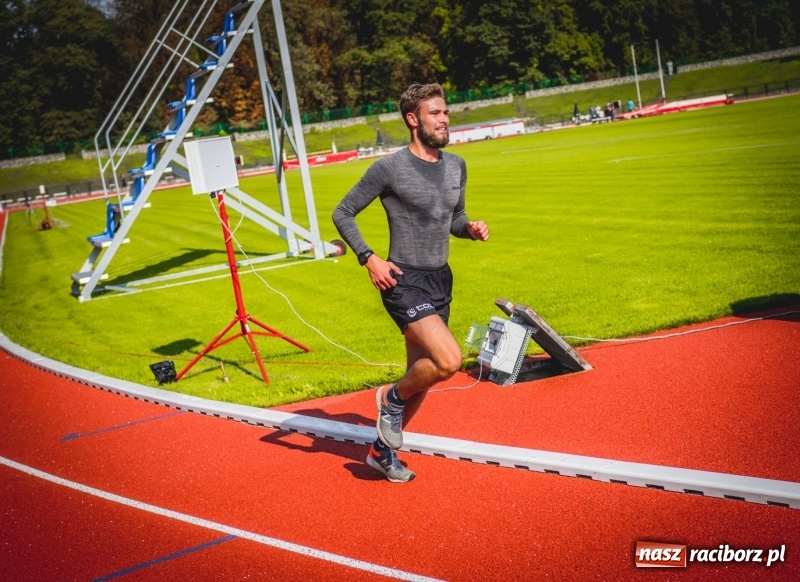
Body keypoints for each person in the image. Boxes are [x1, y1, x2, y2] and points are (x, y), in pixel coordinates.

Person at [332, 83, 490, 483]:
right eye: (435, 113)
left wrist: (469, 229)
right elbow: (343, 212)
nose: (444, 120)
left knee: (423, 371)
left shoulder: (456, 166)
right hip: (401, 279)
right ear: (413, 119)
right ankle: (390, 398)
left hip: (440, 277)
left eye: (445, 113)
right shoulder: (390, 167)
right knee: (449, 361)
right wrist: (369, 258)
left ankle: (381, 453)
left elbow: (453, 220)